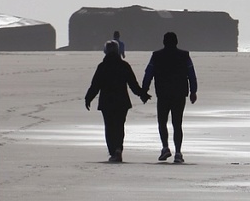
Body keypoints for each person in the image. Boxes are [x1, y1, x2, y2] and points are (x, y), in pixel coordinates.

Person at [85, 40, 150, 162]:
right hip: (122, 102)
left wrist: (88, 98)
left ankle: (113, 151)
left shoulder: (102, 66)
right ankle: (118, 149)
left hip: (106, 102)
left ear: (105, 51)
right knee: (119, 126)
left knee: (109, 127)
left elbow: (95, 85)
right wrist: (142, 94)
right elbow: (133, 84)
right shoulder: (124, 65)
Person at [141, 31, 198, 164]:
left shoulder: (156, 56)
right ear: (176, 42)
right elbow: (191, 74)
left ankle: (165, 147)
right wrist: (193, 91)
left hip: (163, 93)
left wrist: (144, 90)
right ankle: (178, 152)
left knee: (162, 122)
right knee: (177, 123)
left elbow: (148, 73)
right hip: (179, 93)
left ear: (164, 42)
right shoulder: (185, 55)